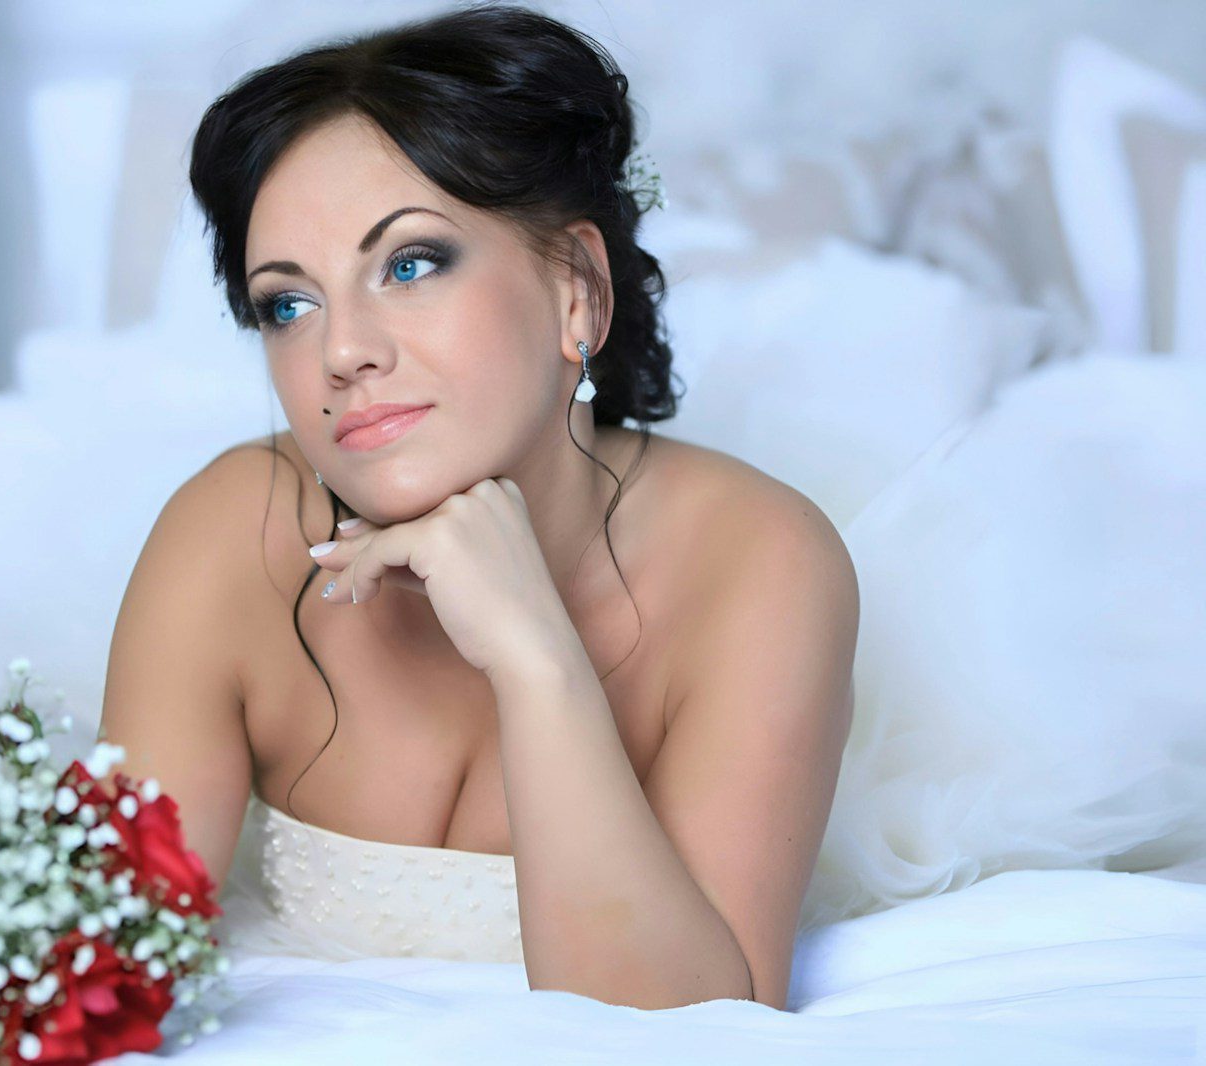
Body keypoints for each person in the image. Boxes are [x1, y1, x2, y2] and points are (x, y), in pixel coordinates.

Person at [98, 4, 858, 1012]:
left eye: (409, 264)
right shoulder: (231, 533)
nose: (341, 351)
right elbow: (93, 975)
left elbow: (696, 1029)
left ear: (576, 290)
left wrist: (535, 655)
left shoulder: (759, 560)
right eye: (289, 302)